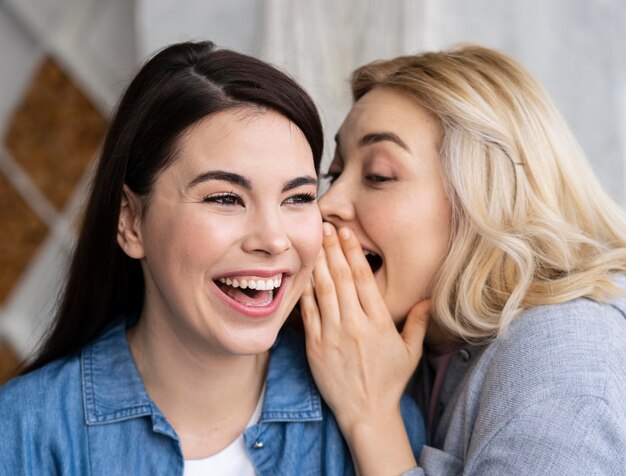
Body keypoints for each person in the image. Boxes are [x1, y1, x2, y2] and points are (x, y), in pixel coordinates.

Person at [0, 41, 426, 475]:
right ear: (130, 221)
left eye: (298, 197)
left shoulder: (378, 424)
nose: (274, 240)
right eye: (225, 197)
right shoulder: (23, 432)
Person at [300, 44, 626, 475]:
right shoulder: (407, 337)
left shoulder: (563, 347)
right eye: (335, 173)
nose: (326, 204)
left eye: (378, 175)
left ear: (483, 198)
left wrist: (371, 416)